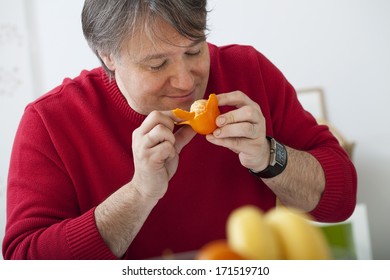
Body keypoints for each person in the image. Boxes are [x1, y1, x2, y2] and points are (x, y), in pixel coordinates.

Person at [2, 0, 357, 260]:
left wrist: (269, 157)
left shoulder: (249, 72)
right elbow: (24, 262)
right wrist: (139, 194)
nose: (186, 81)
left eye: (194, 51)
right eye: (157, 64)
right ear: (108, 56)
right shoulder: (49, 122)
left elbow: (341, 201)